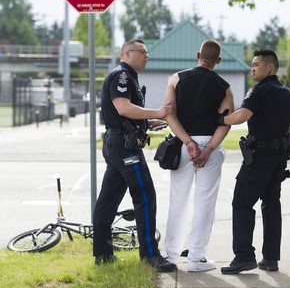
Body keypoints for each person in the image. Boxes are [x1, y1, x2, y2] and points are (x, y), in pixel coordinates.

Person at [93, 39, 177, 272]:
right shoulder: (122, 76)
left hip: (118, 143)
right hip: (124, 147)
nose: (146, 55)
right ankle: (150, 256)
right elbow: (122, 107)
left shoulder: (129, 77)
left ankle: (103, 255)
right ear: (127, 54)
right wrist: (158, 111)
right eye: (142, 51)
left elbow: (125, 116)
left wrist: (150, 121)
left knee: (108, 200)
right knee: (145, 196)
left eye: (147, 52)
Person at [220, 49, 290, 274]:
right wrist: (280, 152)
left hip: (260, 157)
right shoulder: (287, 93)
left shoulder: (259, 91)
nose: (252, 68)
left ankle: (244, 257)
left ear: (270, 68)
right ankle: (270, 259)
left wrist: (220, 119)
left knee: (242, 203)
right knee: (271, 205)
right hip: (279, 158)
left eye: (256, 65)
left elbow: (242, 115)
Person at [162, 39, 234, 272]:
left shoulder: (176, 78)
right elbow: (225, 123)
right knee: (205, 202)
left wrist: (188, 142)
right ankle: (196, 257)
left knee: (178, 200)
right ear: (218, 60)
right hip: (210, 147)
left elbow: (168, 115)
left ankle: (171, 255)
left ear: (197, 55)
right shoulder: (224, 86)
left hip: (184, 146)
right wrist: (208, 149)